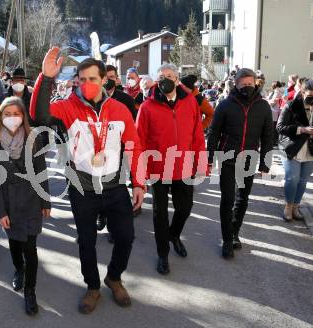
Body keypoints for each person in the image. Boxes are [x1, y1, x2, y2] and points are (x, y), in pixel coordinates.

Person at [30, 47, 145, 314]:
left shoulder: (119, 108)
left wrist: (139, 183)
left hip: (115, 186)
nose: (87, 84)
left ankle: (114, 278)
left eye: (92, 79)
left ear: (104, 79)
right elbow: (38, 115)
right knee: (86, 242)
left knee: (126, 237)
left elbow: (135, 146)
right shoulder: (68, 106)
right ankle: (93, 287)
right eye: (82, 79)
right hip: (82, 188)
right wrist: (46, 79)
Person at [136, 64, 206, 275]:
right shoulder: (147, 107)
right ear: (157, 81)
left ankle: (174, 235)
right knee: (160, 214)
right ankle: (163, 254)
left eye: (169, 76)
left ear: (177, 80)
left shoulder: (191, 102)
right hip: (158, 167)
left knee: (184, 208)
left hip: (184, 166)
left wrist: (200, 163)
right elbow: (139, 140)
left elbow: (197, 135)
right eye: (161, 77)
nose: (165, 79)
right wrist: (141, 173)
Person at [0, 96, 51, 316]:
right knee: (15, 244)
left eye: (16, 114)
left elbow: (41, 171)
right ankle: (18, 271)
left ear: (23, 116)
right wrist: (0, 211)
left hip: (32, 199)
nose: (12, 118)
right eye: (7, 114)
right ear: (0, 116)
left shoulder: (33, 137)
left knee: (30, 248)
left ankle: (30, 291)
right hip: (9, 201)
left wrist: (46, 200)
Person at [207, 68, 273, 259]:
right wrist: (209, 158)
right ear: (236, 84)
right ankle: (227, 240)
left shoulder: (263, 106)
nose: (247, 87)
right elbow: (213, 133)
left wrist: (265, 161)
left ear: (256, 84)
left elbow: (268, 135)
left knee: (242, 199)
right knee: (227, 199)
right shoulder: (225, 105)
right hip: (228, 159)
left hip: (249, 159)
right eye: (243, 84)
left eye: (250, 84)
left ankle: (234, 233)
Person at [277, 79, 313, 221]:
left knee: (302, 180)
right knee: (292, 178)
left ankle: (296, 206)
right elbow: (280, 127)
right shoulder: (291, 105)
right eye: (310, 96)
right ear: (302, 93)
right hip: (292, 147)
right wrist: (302, 129)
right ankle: (288, 206)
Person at [96, 65, 139, 235]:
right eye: (107, 77)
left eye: (113, 76)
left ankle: (114, 226)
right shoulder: (94, 99)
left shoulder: (126, 100)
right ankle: (101, 214)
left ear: (117, 78)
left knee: (116, 189)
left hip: (119, 152)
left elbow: (132, 129)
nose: (110, 80)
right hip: (98, 152)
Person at [267, 81, 283, 145]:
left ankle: (273, 141)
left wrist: (267, 101)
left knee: (273, 127)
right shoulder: (282, 91)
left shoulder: (277, 91)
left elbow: (273, 102)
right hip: (278, 111)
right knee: (275, 127)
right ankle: (275, 141)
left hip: (274, 111)